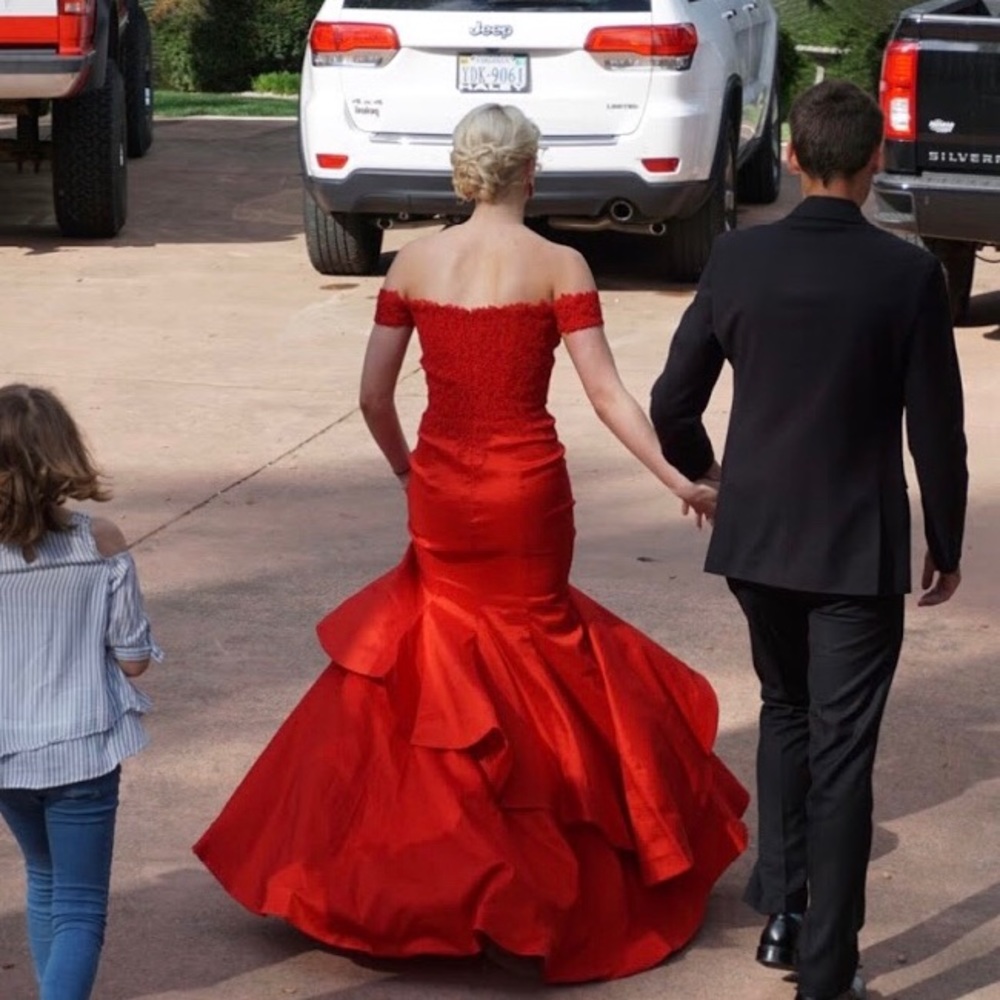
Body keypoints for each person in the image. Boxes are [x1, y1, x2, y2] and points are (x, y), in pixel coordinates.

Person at [194, 103, 749, 983]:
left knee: (438, 658)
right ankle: (551, 865)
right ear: (530, 174)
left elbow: (375, 396)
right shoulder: (560, 263)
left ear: (463, 174)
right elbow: (607, 397)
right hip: (529, 490)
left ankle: (423, 871)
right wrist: (678, 480)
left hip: (446, 485)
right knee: (540, 647)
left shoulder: (415, 261)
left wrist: (407, 470)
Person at [650, 80, 968, 1000]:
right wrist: (944, 538)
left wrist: (706, 475)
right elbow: (934, 431)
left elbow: (675, 399)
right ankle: (828, 968)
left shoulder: (738, 259)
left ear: (791, 156)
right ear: (875, 162)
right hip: (853, 547)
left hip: (758, 537)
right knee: (843, 750)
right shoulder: (908, 276)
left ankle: (784, 916)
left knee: (785, 712)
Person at [0, 384, 162, 1000]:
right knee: (80, 907)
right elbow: (134, 661)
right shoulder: (100, 542)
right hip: (82, 748)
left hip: (6, 754)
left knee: (43, 877)